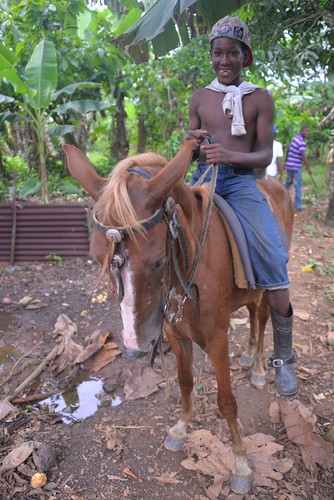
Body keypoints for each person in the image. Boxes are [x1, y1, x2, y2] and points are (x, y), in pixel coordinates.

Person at [184, 16, 298, 396]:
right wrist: (193, 144)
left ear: (246, 57)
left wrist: (228, 153)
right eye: (218, 52)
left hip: (241, 183)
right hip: (202, 178)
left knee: (273, 258)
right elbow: (194, 149)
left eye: (233, 52)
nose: (224, 60)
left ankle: (283, 357)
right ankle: (157, 322)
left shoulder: (260, 98)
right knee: (163, 233)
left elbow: (264, 156)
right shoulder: (200, 98)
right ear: (212, 56)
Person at [284, 126, 312, 211]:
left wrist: (285, 163)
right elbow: (303, 155)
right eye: (306, 131)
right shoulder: (302, 142)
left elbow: (288, 150)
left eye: (308, 131)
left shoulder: (294, 139)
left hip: (289, 166)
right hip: (296, 167)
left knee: (288, 183)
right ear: (301, 131)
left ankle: (279, 198)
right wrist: (308, 168)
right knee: (298, 186)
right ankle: (297, 206)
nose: (307, 133)